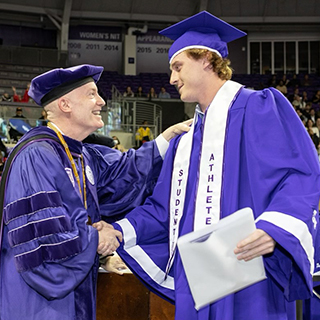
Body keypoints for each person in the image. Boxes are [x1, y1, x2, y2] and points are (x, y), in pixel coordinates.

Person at [96, 11, 320, 320]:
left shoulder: (258, 108)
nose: (172, 78)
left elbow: (299, 175)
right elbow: (163, 211)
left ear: (206, 60)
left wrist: (275, 229)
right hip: (199, 283)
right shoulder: (183, 142)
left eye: (178, 66)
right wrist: (117, 230)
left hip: (249, 273)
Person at [0, 64, 190, 320]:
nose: (101, 101)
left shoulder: (80, 155)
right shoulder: (36, 155)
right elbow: (41, 237)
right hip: (39, 300)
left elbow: (119, 181)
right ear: (65, 105)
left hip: (74, 291)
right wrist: (97, 241)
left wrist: (164, 142)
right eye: (91, 94)